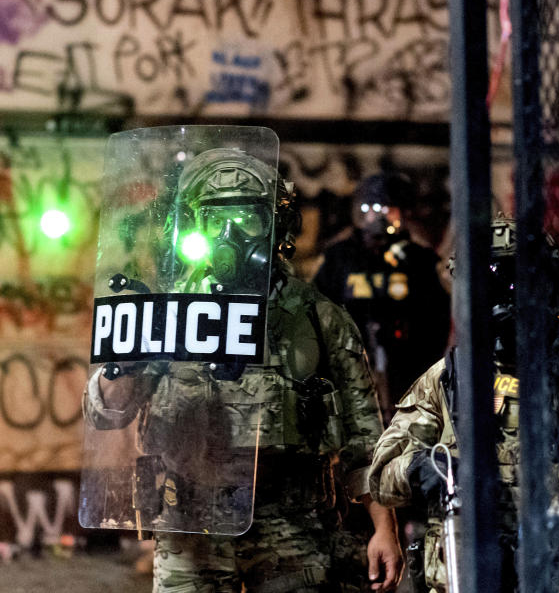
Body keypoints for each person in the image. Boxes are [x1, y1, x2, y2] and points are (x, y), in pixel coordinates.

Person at [84, 146, 403, 592]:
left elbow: (364, 435)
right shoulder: (172, 313)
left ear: (274, 226)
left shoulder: (315, 318)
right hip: (190, 521)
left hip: (291, 522)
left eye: (246, 217)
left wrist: (384, 529)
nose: (229, 232)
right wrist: (126, 364)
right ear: (195, 226)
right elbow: (105, 411)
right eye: (215, 217)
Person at [368, 218, 559, 592]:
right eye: (490, 286)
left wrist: (533, 539)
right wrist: (425, 468)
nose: (503, 301)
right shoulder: (450, 375)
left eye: (517, 284)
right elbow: (381, 475)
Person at [313, 171, 451, 421]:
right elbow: (318, 306)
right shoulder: (340, 257)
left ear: (403, 213)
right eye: (370, 208)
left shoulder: (419, 260)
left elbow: (437, 316)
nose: (377, 216)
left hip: (406, 364)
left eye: (387, 209)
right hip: (349, 362)